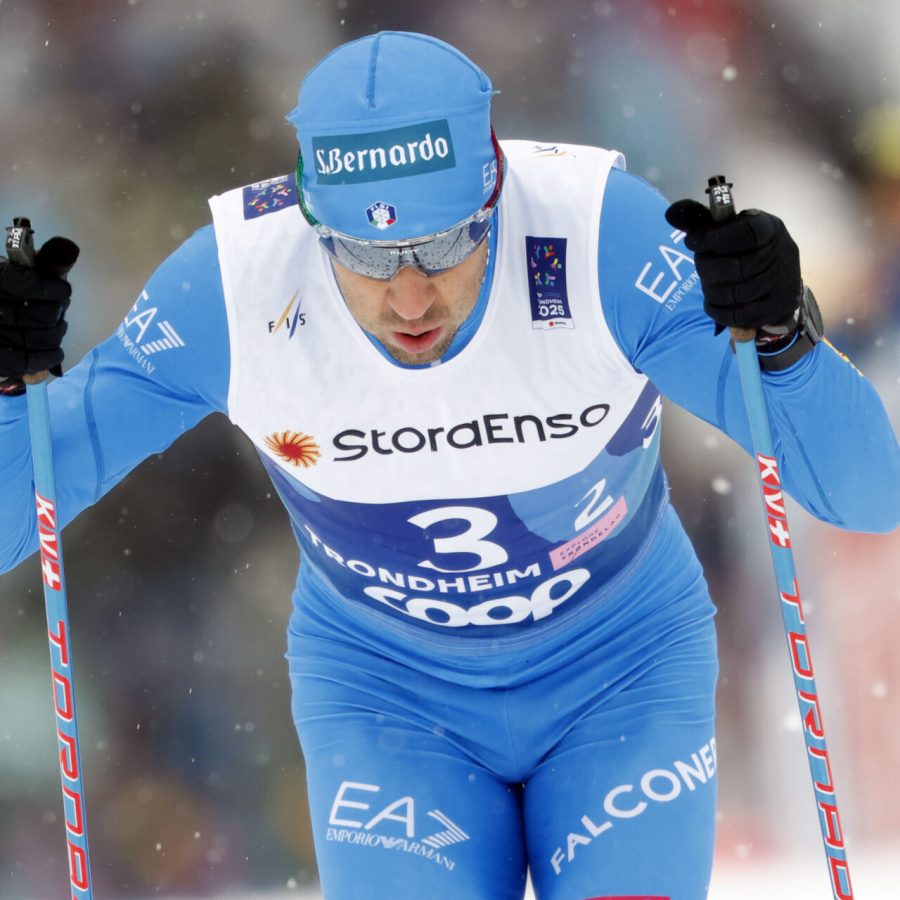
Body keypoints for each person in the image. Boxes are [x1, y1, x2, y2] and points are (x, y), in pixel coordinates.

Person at [1, 31, 897, 900]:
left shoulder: (600, 240)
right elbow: (21, 512)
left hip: (618, 668)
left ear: (495, 195)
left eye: (442, 245)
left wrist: (783, 339)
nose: (409, 296)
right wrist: (8, 395)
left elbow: (867, 496)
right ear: (312, 217)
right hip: (390, 696)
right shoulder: (231, 289)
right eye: (365, 253)